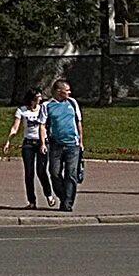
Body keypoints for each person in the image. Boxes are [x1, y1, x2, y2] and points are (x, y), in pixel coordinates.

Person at [41, 80, 84, 211]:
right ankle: (63, 196)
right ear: (59, 91)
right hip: (56, 145)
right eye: (67, 90)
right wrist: (43, 142)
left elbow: (78, 122)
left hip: (72, 144)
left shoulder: (72, 103)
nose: (70, 93)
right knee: (54, 173)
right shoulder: (47, 105)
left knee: (71, 174)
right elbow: (42, 125)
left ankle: (67, 203)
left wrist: (81, 142)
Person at [6, 88, 50, 208]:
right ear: (31, 99)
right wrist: (9, 140)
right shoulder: (22, 110)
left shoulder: (43, 109)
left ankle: (48, 194)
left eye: (40, 98)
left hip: (42, 142)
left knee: (41, 171)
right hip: (28, 143)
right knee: (29, 172)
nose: (39, 100)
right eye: (37, 98)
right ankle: (32, 201)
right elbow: (15, 127)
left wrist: (45, 142)